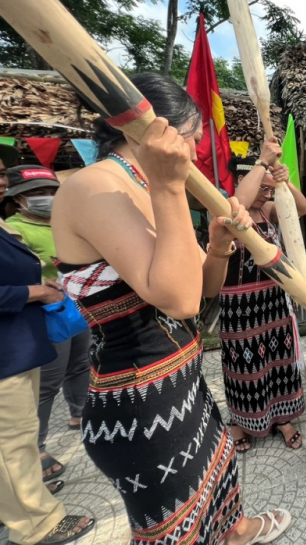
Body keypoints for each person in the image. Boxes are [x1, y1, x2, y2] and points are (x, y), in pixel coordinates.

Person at [51, 73, 291, 544]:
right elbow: (178, 299)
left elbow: (200, 294)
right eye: (191, 140)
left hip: (183, 377)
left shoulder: (144, 182)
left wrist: (219, 246)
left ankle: (237, 531)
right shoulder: (95, 186)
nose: (197, 154)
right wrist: (169, 187)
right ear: (156, 133)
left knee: (219, 478)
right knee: (178, 528)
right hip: (139, 401)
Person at [1, 218, 95, 545]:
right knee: (11, 443)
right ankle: (35, 524)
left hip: (16, 345)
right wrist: (36, 292)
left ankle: (19, 500)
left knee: (17, 438)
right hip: (5, 356)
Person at [219, 148, 306, 454]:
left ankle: (281, 417)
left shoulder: (269, 210)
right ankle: (240, 421)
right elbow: (239, 205)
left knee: (276, 362)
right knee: (245, 367)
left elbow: (302, 208)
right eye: (263, 189)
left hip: (272, 300)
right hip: (240, 306)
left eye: (269, 191)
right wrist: (261, 162)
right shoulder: (223, 203)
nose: (265, 195)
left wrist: (285, 183)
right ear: (246, 179)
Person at [4, 165, 92, 482]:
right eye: (35, 194)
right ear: (18, 200)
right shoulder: (13, 231)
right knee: (47, 382)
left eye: (50, 192)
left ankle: (80, 412)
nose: (45, 199)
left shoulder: (63, 220)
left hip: (74, 305)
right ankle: (37, 448)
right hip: (43, 312)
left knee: (81, 361)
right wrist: (42, 288)